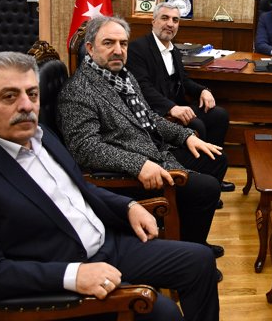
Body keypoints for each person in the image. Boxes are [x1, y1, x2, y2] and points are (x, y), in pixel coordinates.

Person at [0, 51, 219, 320]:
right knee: (163, 311)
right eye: (9, 96)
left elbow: (82, 188)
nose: (26, 106)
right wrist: (72, 275)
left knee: (200, 260)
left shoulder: (42, 136)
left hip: (107, 242)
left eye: (32, 94)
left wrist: (128, 206)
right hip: (65, 269)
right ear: (90, 48)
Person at [57, 16, 227, 267]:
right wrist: (138, 164)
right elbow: (85, 148)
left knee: (216, 159)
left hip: (154, 152)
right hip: (126, 174)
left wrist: (186, 136)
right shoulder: (78, 91)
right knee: (206, 188)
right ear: (90, 48)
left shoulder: (122, 76)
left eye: (123, 43)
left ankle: (192, 238)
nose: (118, 50)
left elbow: (149, 117)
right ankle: (190, 255)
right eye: (109, 43)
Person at [126, 2, 235, 193]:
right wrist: (171, 108)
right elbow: (143, 88)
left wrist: (203, 90)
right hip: (156, 112)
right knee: (197, 124)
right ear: (153, 21)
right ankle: (198, 180)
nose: (170, 24)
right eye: (165, 18)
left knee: (219, 115)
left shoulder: (174, 50)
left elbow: (183, 80)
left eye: (175, 20)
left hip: (177, 106)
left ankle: (214, 176)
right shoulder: (137, 48)